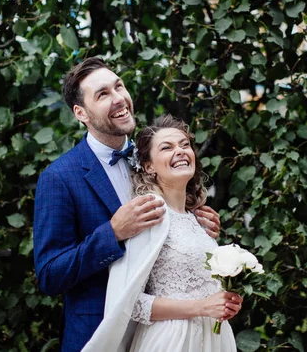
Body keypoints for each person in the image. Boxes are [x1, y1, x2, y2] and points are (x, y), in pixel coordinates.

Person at [33, 58, 221, 351]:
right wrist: (112, 233)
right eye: (103, 94)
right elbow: (49, 275)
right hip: (99, 335)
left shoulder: (155, 157)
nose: (119, 98)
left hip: (167, 336)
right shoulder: (60, 177)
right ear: (80, 112)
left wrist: (193, 221)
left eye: (118, 86)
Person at [83, 115, 242, 352]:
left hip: (213, 339)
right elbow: (130, 303)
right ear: (149, 166)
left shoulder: (197, 219)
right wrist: (202, 307)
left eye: (184, 144)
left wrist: (225, 302)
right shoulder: (149, 215)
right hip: (172, 340)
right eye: (167, 147)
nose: (179, 151)